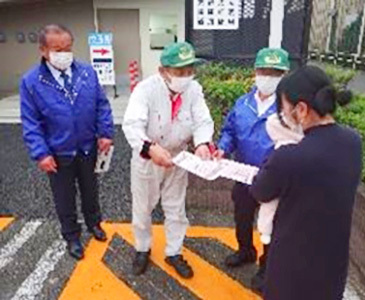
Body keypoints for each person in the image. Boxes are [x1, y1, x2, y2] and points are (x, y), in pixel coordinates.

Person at [250, 65, 362, 300]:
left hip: (291, 271)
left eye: (285, 109)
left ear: (301, 109)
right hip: (332, 267)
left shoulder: (289, 157)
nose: (284, 117)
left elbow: (260, 190)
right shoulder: (353, 142)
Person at [20, 24, 114, 260]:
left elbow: (101, 105)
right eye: (57, 49)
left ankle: (94, 223)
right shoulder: (31, 81)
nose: (64, 54)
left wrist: (105, 133)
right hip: (57, 152)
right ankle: (71, 236)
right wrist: (41, 153)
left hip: (87, 147)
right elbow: (30, 122)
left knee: (91, 190)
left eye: (68, 48)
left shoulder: (86, 72)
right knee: (64, 197)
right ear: (43, 50)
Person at [122, 42, 214, 279]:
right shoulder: (145, 89)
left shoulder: (193, 89)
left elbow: (203, 120)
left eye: (189, 71)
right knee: (143, 208)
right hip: (148, 156)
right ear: (163, 71)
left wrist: (203, 143)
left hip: (178, 157)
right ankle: (142, 248)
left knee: (176, 208)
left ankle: (174, 252)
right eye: (179, 72)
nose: (186, 77)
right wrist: (150, 148)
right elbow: (132, 124)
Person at [214, 48, 290, 279]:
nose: (268, 77)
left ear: (284, 76)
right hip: (243, 174)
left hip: (273, 178)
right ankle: (245, 250)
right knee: (242, 216)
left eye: (275, 73)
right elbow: (229, 131)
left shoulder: (289, 108)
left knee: (271, 225)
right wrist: (222, 148)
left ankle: (267, 267)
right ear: (255, 72)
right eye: (264, 71)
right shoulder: (242, 103)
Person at [252, 113, 303, 292]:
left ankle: (267, 279)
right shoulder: (316, 148)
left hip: (278, 218)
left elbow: (263, 191)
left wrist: (257, 180)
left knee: (273, 254)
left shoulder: (283, 154)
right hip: (302, 223)